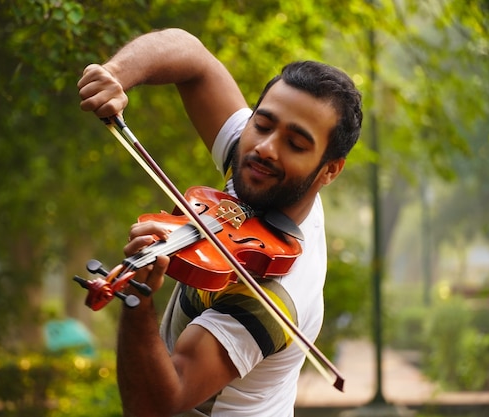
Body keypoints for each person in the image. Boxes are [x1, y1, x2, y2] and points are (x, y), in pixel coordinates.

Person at [77, 28, 362, 417]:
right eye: (262, 124)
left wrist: (138, 304)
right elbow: (193, 58)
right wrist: (116, 75)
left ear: (328, 171)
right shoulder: (259, 168)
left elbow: (155, 404)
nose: (266, 148)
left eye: (296, 145)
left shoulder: (277, 293)